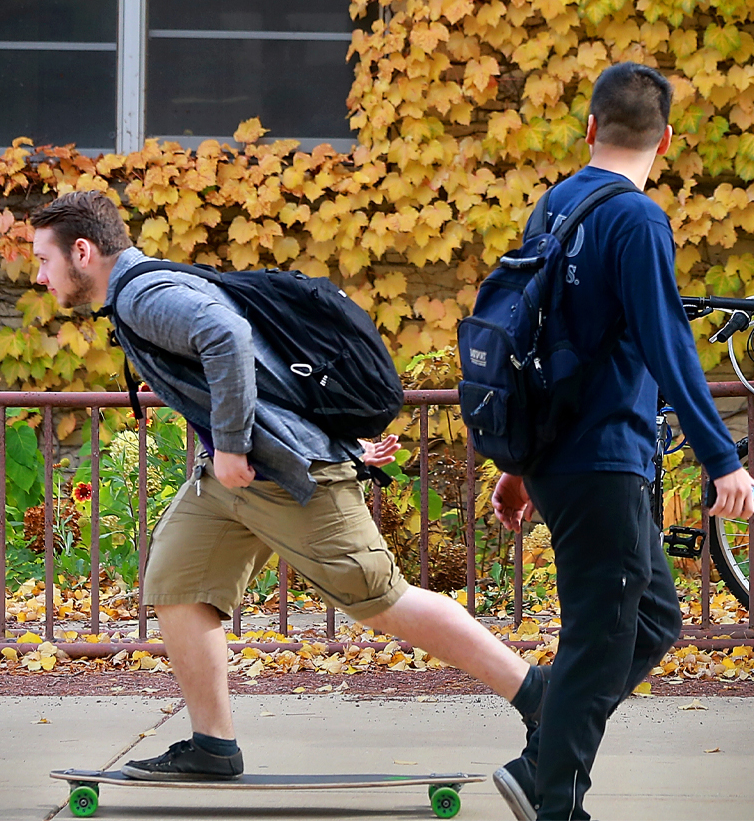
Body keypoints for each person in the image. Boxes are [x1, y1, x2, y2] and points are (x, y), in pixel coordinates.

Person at [27, 191, 539, 780]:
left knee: (379, 598)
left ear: (83, 252)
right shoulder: (147, 287)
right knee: (177, 583)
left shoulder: (145, 295)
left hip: (281, 474)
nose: (41, 276)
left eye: (44, 259)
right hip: (233, 482)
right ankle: (211, 746)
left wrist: (232, 444)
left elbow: (227, 337)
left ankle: (536, 694)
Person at [488, 62, 754, 820]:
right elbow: (667, 341)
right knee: (599, 635)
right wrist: (722, 458)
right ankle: (557, 803)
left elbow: (530, 336)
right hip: (599, 458)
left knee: (649, 620)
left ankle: (541, 763)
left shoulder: (558, 203)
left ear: (589, 129)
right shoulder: (637, 220)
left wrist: (517, 464)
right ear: (666, 139)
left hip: (563, 455)